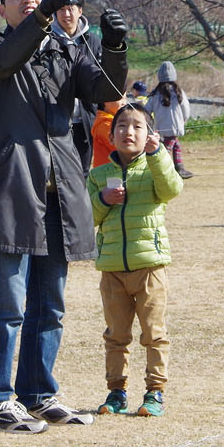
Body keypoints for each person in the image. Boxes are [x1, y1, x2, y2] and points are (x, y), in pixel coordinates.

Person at [0, 0, 130, 434]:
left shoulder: (65, 50)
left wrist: (114, 48)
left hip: (61, 194)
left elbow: (108, 94)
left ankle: (38, 393)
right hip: (11, 189)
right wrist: (43, 17)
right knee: (9, 305)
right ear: (2, 7)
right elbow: (5, 61)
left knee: (50, 305)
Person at [86, 103, 183, 417]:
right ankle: (116, 392)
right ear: (111, 135)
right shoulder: (99, 176)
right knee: (116, 335)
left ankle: (155, 393)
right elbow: (88, 217)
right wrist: (103, 200)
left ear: (149, 134)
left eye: (137, 126)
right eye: (122, 126)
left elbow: (171, 189)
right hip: (112, 268)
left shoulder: (156, 165)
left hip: (149, 267)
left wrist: (158, 156)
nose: (129, 132)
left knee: (154, 334)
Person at [53, 0, 103, 174]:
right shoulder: (48, 40)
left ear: (80, 11)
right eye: (61, 9)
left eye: (70, 9)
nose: (66, 14)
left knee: (83, 172)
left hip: (86, 120)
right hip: (56, 120)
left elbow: (102, 80)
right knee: (58, 173)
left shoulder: (93, 41)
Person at [145, 61, 193, 178]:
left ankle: (179, 167)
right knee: (166, 150)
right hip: (175, 126)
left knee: (175, 145)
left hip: (162, 126)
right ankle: (160, 168)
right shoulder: (179, 92)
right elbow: (186, 109)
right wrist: (183, 121)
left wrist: (150, 125)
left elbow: (146, 111)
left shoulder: (155, 94)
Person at [89, 98, 124, 168]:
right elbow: (122, 148)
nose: (124, 102)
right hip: (106, 174)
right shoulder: (105, 124)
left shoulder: (112, 120)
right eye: (121, 98)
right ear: (106, 101)